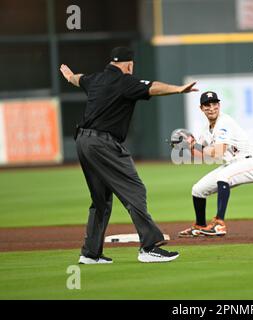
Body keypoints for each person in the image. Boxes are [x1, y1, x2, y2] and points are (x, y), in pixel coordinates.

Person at [59, 47, 198, 264]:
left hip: (83, 141)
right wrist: (179, 89)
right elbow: (153, 87)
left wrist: (69, 77)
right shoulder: (125, 82)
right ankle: (149, 247)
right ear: (129, 65)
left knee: (101, 200)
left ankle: (90, 253)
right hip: (103, 143)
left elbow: (79, 79)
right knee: (134, 189)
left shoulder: (95, 79)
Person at [178, 91, 253, 237]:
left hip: (251, 162)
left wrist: (197, 146)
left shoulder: (224, 122)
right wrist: (188, 146)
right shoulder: (206, 129)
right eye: (207, 105)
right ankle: (199, 226)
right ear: (201, 108)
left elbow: (218, 153)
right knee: (197, 189)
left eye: (214, 104)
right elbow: (199, 155)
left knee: (223, 176)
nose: (211, 108)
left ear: (219, 105)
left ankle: (219, 224)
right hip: (234, 163)